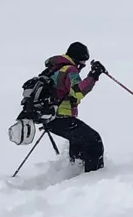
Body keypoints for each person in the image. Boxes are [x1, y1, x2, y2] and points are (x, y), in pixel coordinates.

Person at [38, 41, 106, 172]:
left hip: (49, 118)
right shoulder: (70, 69)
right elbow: (78, 93)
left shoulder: (54, 68)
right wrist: (94, 75)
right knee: (94, 141)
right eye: (83, 61)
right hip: (61, 117)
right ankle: (94, 176)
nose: (83, 65)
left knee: (79, 141)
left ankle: (75, 173)